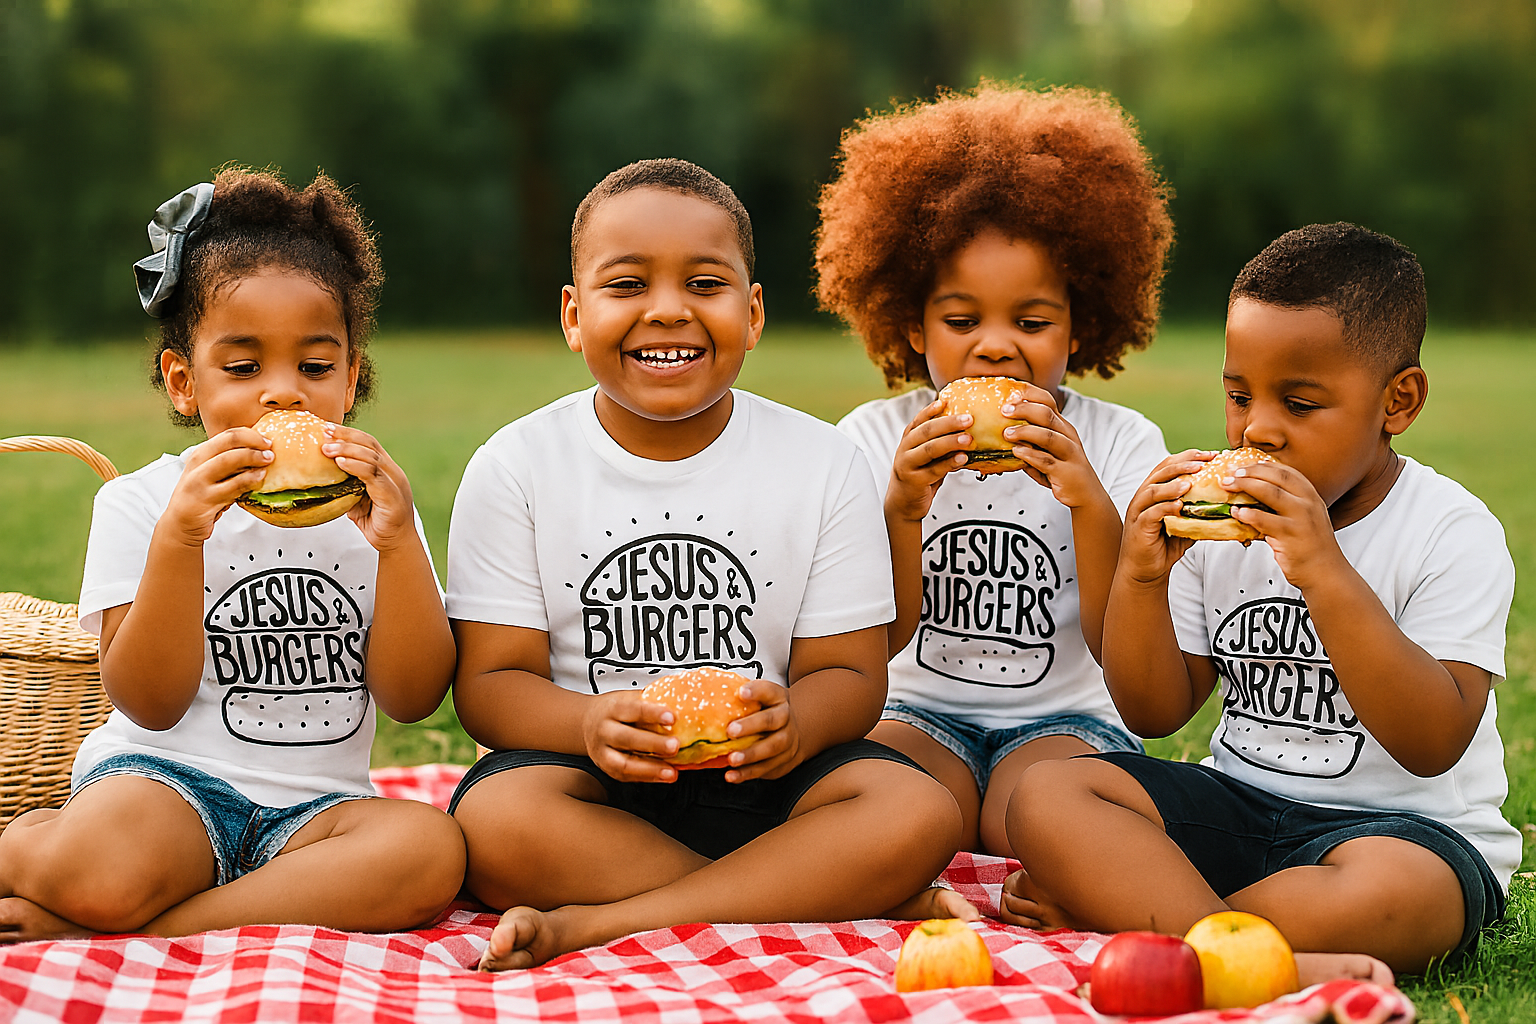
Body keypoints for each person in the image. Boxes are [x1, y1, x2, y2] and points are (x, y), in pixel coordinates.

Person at [447, 158, 964, 971]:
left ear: (752, 314)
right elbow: (489, 687)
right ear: (573, 315)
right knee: (493, 819)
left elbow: (853, 677)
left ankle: (599, 923)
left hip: (769, 778)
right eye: (626, 286)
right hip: (596, 781)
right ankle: (814, 893)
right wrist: (586, 723)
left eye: (704, 283)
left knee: (917, 810)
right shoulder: (516, 465)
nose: (667, 311)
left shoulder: (822, 462)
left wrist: (796, 725)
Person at [1002, 223, 1517, 979]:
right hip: (1235, 806)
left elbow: (1432, 740)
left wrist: (1325, 571)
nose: (1259, 430)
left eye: (1301, 405)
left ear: (1397, 402)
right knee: (1048, 789)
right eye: (1240, 395)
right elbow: (1153, 712)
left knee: (1400, 896)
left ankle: (1153, 920)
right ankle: (1238, 948)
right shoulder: (1216, 530)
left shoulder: (1450, 529)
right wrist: (1142, 577)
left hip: (1402, 833)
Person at [0, 168, 465, 942]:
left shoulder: (380, 511)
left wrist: (396, 548)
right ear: (185, 384)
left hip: (317, 812)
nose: (283, 394)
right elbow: (146, 701)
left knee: (427, 852)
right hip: (166, 791)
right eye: (243, 368)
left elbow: (414, 698)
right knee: (102, 870)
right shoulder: (144, 504)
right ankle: (27, 846)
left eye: (315, 367)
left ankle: (145, 932)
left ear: (351, 378)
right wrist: (181, 539)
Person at [818, 84, 1173, 859]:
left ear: (1081, 328)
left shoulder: (1118, 442)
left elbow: (1128, 642)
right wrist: (902, 507)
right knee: (880, 810)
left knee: (1035, 820)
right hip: (915, 708)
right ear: (912, 325)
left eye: (1032, 321)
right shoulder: (871, 439)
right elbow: (871, 641)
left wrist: (1085, 499)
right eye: (961, 320)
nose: (996, 346)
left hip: (1067, 720)